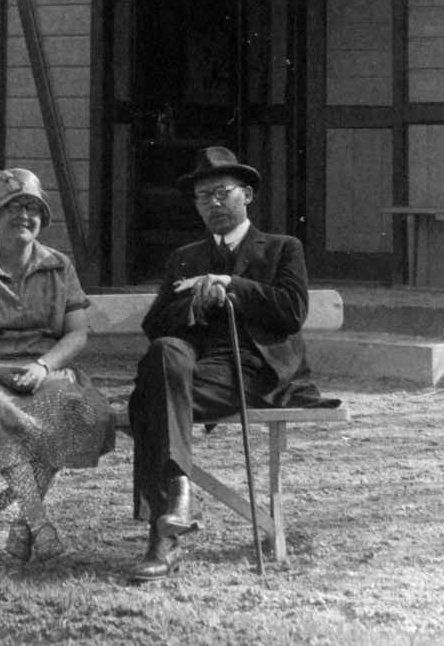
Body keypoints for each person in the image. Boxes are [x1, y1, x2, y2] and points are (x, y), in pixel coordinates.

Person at [126, 146, 335, 583]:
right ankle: (180, 493)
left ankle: (163, 539)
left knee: (152, 399)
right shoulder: (184, 257)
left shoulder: (282, 248)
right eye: (203, 198)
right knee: (163, 354)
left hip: (253, 370)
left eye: (222, 192)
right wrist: (194, 307)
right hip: (194, 369)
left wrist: (231, 285)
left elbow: (292, 311)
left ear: (247, 195)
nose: (214, 204)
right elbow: (154, 323)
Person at [0, 168, 116, 562]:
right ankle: (39, 523)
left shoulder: (59, 266)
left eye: (33, 208)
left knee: (76, 405)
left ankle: (23, 523)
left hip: (40, 372)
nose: (23, 216)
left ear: (43, 219)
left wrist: (44, 367)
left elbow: (77, 333)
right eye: (12, 207)